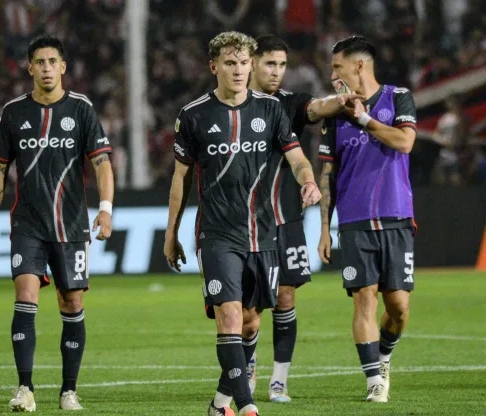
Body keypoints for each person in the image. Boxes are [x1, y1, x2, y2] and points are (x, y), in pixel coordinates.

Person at [163, 31, 321, 416]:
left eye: (244, 63)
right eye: (230, 63)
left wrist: (309, 181)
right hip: (216, 235)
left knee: (250, 323)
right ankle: (247, 405)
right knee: (230, 314)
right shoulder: (194, 114)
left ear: (251, 66)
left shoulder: (271, 110)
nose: (238, 70)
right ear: (214, 66)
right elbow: (180, 178)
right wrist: (172, 234)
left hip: (262, 233)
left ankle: (219, 403)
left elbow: (297, 158)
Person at [0, 34, 114, 412]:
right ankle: (25, 388)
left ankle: (68, 390)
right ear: (30, 68)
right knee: (25, 297)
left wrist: (105, 208)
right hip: (27, 224)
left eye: (53, 61)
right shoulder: (13, 112)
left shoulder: (82, 109)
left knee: (71, 302)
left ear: (63, 67)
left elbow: (102, 162)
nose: (46, 68)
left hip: (71, 226)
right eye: (39, 62)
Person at [244, 35, 364, 402]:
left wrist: (341, 100)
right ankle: (245, 371)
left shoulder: (289, 104)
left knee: (286, 298)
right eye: (270, 64)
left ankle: (279, 380)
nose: (277, 72)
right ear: (251, 62)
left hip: (287, 219)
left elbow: (316, 108)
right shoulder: (231, 106)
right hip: (247, 223)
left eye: (282, 65)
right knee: (248, 311)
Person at [317, 36, 418, 403]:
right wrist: (324, 228)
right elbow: (326, 176)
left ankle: (385, 355)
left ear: (359, 66)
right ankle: (374, 380)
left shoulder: (398, 97)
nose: (332, 75)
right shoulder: (334, 115)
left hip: (396, 216)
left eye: (337, 66)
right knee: (364, 299)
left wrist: (363, 119)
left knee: (399, 308)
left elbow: (405, 143)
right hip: (354, 220)